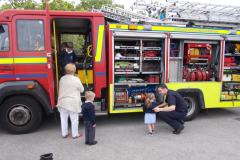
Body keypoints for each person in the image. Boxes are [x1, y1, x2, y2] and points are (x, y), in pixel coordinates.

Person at [57, 63, 84, 139]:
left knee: (63, 119)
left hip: (62, 102)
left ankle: (64, 134)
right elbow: (82, 90)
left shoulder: (62, 79)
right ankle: (75, 134)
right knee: (74, 119)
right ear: (74, 70)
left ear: (66, 70)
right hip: (72, 102)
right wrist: (78, 79)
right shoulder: (76, 79)